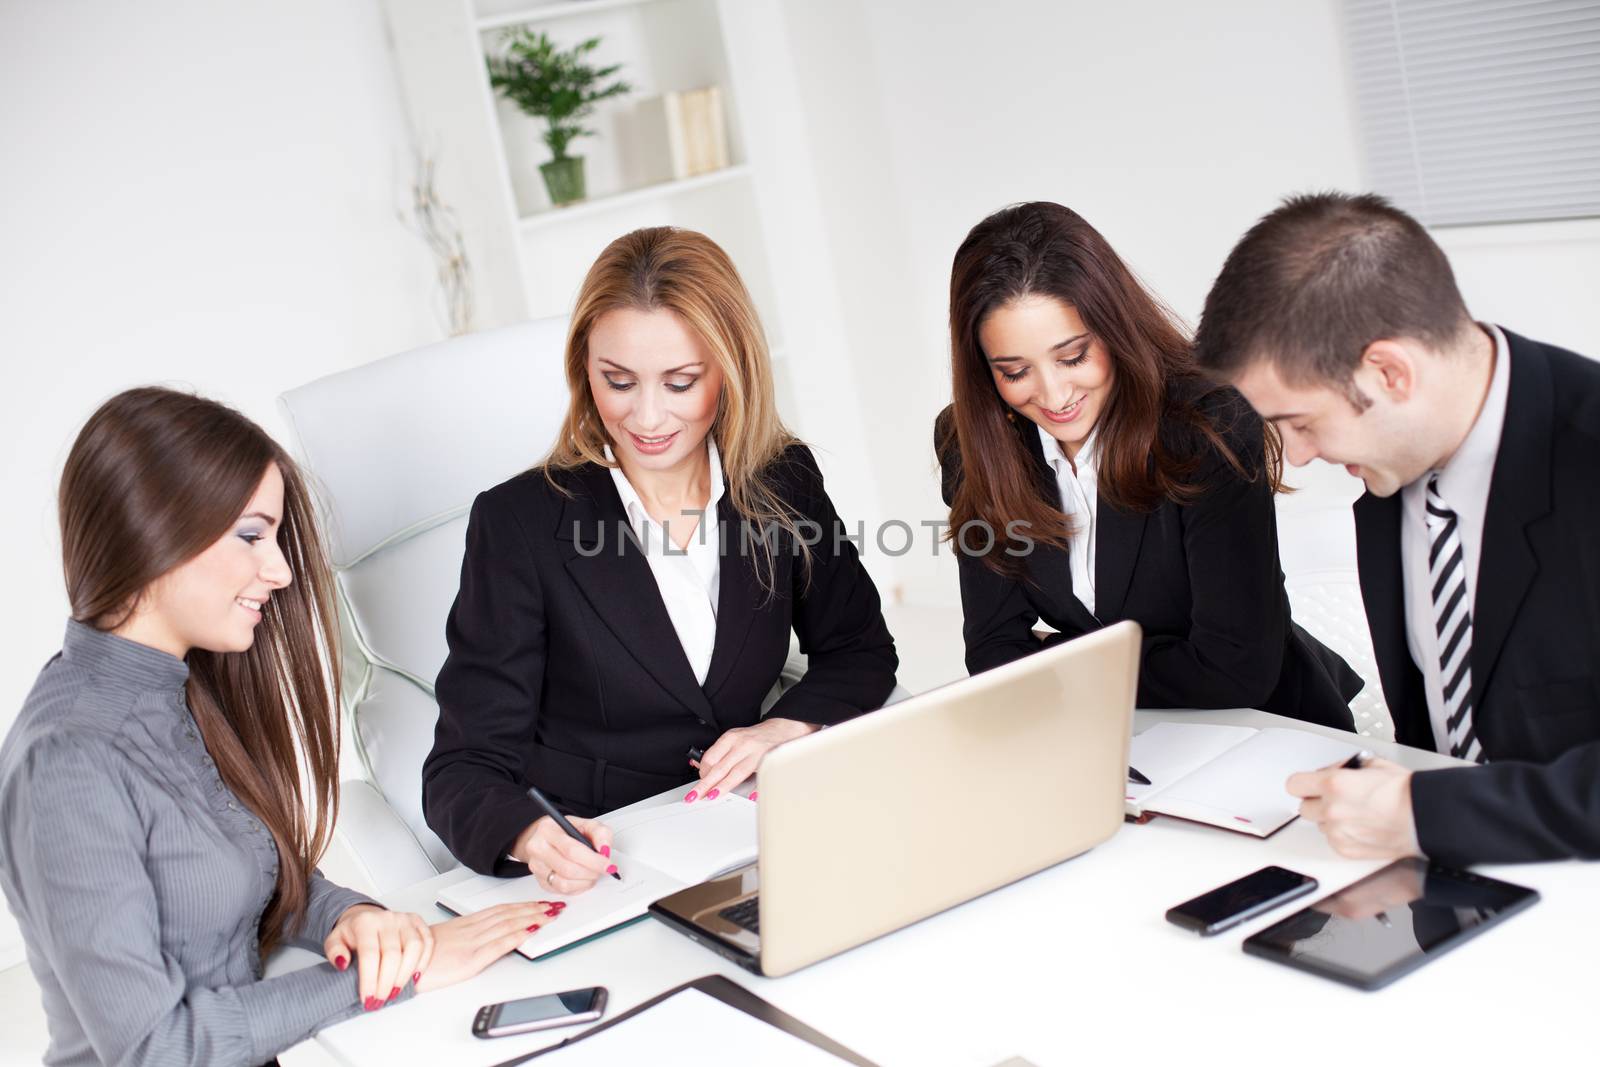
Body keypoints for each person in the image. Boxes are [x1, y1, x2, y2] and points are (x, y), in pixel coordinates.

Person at [0, 388, 559, 1067]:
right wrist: (384, 978)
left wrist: (355, 918)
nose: (282, 569)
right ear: (153, 527)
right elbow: (154, 1047)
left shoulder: (177, 693)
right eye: (250, 534)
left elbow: (261, 881)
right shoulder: (69, 760)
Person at [423, 226, 898, 892]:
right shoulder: (520, 523)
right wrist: (533, 835)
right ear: (584, 370)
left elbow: (859, 647)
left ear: (730, 369)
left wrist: (781, 728)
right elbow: (462, 768)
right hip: (602, 863)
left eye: (680, 382)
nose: (647, 416)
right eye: (618, 381)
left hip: (756, 836)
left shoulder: (781, 478)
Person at [1194, 191, 1600, 865]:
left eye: (1299, 421)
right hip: (1437, 889)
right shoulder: (1390, 469)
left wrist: (1427, 813)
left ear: (1389, 371)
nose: (1295, 454)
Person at [935, 201, 1360, 728]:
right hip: (1118, 735)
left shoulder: (1208, 420)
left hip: (1265, 729)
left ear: (1113, 330)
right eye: (1015, 371)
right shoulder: (972, 441)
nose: (1053, 394)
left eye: (1073, 357)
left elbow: (1235, 669)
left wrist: (1062, 660)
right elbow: (994, 653)